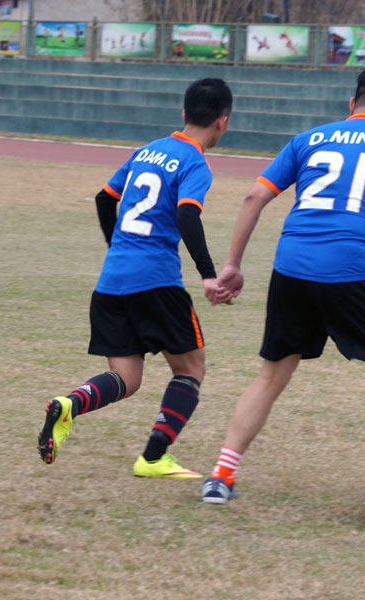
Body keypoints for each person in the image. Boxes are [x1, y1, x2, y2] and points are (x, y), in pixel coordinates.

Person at [201, 67, 365, 511]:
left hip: (290, 267)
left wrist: (232, 265)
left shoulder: (308, 139)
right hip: (350, 268)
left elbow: (254, 197)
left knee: (271, 375)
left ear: (351, 105)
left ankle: (220, 476)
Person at [38, 78, 234, 479]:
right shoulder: (195, 163)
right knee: (191, 369)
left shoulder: (146, 151)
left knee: (126, 379)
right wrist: (208, 274)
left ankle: (70, 404)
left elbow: (104, 198)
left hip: (112, 281)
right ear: (223, 122)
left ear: (183, 113)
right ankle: (153, 458)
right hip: (157, 281)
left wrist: (118, 246)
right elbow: (187, 214)